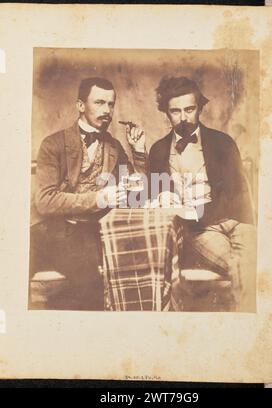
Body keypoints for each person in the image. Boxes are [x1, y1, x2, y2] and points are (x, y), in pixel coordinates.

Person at [30, 77, 147, 310]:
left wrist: (139, 152)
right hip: (58, 229)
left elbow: (138, 193)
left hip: (95, 231)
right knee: (92, 284)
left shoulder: (114, 146)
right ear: (81, 106)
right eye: (100, 103)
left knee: (137, 272)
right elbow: (45, 201)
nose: (107, 110)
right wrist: (100, 198)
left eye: (111, 104)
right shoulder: (53, 144)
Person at [149, 76, 256, 311]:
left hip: (234, 221)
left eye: (189, 109)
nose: (184, 117)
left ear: (200, 108)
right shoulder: (158, 151)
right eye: (175, 111)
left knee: (258, 260)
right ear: (166, 113)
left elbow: (237, 193)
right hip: (199, 230)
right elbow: (158, 197)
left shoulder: (223, 142)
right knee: (237, 266)